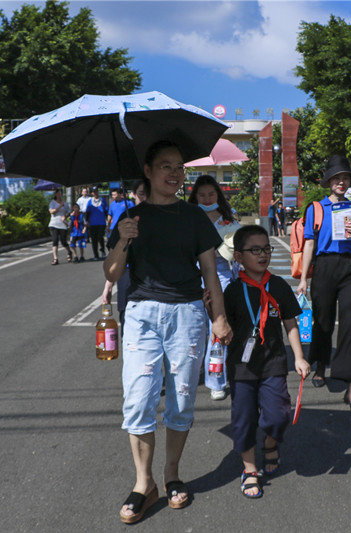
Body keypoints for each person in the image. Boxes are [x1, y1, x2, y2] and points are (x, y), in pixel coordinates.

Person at [104, 140, 233, 524]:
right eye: (166, 166)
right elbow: (112, 272)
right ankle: (144, 483)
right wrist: (124, 239)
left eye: (179, 167)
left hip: (188, 314)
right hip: (141, 314)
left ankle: (172, 473)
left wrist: (219, 317)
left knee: (181, 400)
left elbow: (210, 271)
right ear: (147, 171)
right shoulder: (130, 217)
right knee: (138, 399)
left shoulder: (194, 216)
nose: (175, 173)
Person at [221, 225, 310, 499]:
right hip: (241, 366)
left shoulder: (278, 285)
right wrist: (212, 309)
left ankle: (271, 442)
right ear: (238, 257)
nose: (263, 255)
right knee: (244, 419)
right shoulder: (232, 291)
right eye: (255, 250)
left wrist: (299, 357)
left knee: (278, 414)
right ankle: (249, 469)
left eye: (266, 249)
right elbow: (224, 330)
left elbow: (290, 323)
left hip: (273, 362)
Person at [296, 155, 351, 414]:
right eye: (336, 178)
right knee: (323, 321)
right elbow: (309, 243)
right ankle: (320, 365)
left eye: (345, 178)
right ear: (329, 181)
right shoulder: (316, 208)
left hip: (350, 267)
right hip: (324, 267)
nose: (341, 182)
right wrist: (303, 279)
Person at [187, 174, 241, 401]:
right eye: (202, 195)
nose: (207, 198)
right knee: (192, 329)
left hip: (221, 278)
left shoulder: (229, 221)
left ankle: (216, 380)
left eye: (211, 194)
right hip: (191, 278)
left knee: (217, 329)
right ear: (195, 197)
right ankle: (190, 372)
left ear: (218, 195)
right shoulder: (188, 218)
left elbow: (235, 252)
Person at [103, 179, 149, 330]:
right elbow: (113, 260)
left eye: (149, 194)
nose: (145, 198)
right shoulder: (126, 218)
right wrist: (108, 286)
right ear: (133, 194)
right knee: (127, 323)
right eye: (141, 194)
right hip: (127, 279)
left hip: (154, 288)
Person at [48, 188, 73, 265]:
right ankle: (55, 258)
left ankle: (69, 251)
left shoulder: (65, 203)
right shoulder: (52, 202)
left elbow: (69, 212)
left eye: (61, 193)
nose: (59, 195)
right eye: (58, 193)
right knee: (55, 240)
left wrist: (65, 216)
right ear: (55, 194)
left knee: (63, 242)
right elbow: (51, 211)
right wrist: (60, 206)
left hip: (62, 224)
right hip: (53, 224)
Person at [85, 186, 108, 260]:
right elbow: (87, 212)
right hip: (92, 223)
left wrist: (108, 220)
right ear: (92, 193)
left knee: (100, 237)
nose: (96, 193)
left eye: (97, 191)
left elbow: (106, 211)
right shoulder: (90, 201)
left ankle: (102, 251)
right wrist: (87, 221)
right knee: (94, 239)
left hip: (101, 222)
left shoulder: (103, 200)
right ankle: (96, 255)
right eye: (94, 192)